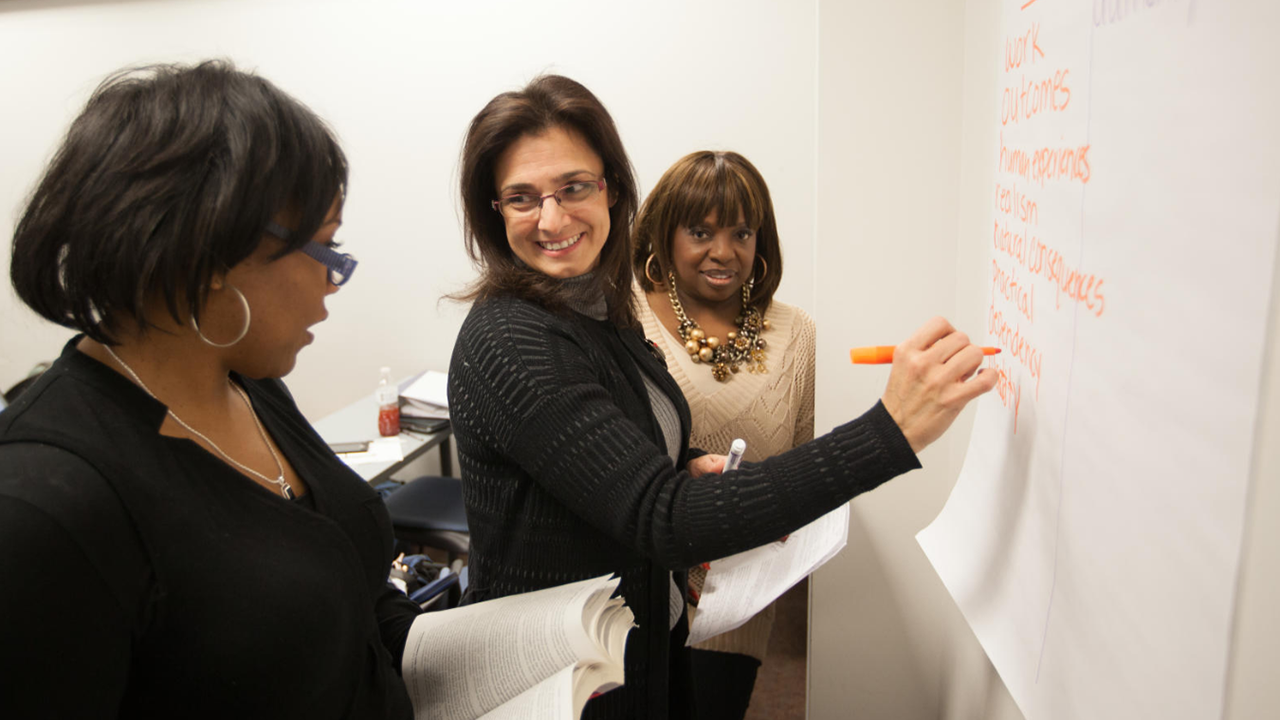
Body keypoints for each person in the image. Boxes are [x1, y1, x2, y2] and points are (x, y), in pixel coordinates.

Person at [448, 74, 997, 720]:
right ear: (494, 211)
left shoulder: (596, 310)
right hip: (557, 684)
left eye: (574, 187)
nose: (552, 218)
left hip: (632, 648)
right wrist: (890, 431)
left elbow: (615, 458)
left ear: (612, 189)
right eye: (521, 198)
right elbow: (664, 518)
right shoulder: (513, 338)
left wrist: (686, 460)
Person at [0, 61, 421, 718]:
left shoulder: (247, 384)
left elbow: (352, 587)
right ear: (211, 252)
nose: (334, 282)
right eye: (327, 249)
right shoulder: (48, 504)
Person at [632, 150, 812, 719]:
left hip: (741, 603)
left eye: (742, 232)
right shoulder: (624, 316)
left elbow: (803, 463)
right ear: (664, 233)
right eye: (700, 231)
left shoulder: (796, 334)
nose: (724, 252)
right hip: (640, 596)